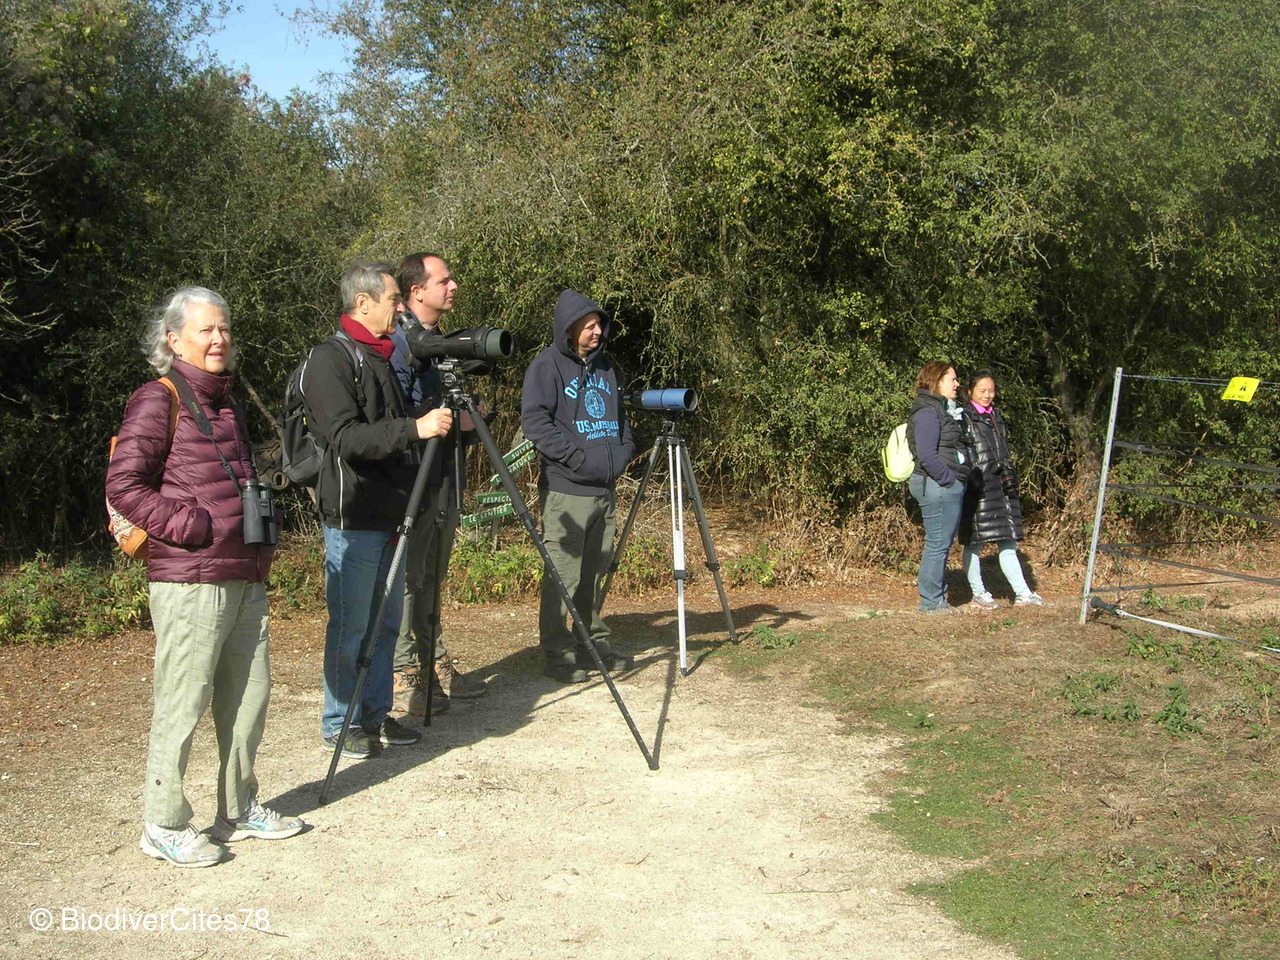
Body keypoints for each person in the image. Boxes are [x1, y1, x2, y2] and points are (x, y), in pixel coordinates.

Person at [105, 287, 303, 868]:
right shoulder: (157, 397)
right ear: (173, 339)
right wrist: (189, 526)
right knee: (183, 700)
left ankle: (238, 809)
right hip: (190, 577)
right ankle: (164, 823)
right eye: (206, 330)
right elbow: (123, 485)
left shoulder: (225, 401)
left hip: (242, 571)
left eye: (225, 329)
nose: (219, 340)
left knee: (249, 696)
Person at [303, 262, 453, 758]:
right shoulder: (329, 360)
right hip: (353, 514)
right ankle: (339, 723)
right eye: (392, 299)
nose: (399, 308)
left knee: (386, 625)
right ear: (362, 302)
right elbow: (345, 437)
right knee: (351, 626)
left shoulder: (384, 357)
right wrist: (415, 428)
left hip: (392, 512)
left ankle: (374, 713)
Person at [388, 252, 489, 718]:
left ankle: (433, 659)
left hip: (444, 474)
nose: (453, 287)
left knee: (432, 575)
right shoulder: (398, 344)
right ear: (417, 291)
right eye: (444, 281)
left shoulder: (439, 344)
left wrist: (467, 419)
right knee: (409, 578)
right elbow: (395, 414)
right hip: (412, 477)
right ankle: (404, 669)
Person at [521, 289, 635, 683]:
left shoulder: (606, 367)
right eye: (588, 326)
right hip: (567, 491)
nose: (596, 331)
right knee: (563, 576)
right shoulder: (546, 366)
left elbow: (621, 419)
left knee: (593, 575)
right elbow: (536, 423)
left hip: (604, 490)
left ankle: (592, 644)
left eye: (599, 324)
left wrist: (621, 454)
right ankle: (558, 653)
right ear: (568, 329)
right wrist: (578, 460)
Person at [959, 370, 1046, 607]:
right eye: (982, 391)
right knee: (974, 541)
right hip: (978, 488)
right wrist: (972, 477)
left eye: (991, 390)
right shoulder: (963, 417)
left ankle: (1023, 593)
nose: (987, 395)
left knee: (1008, 540)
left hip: (1002, 488)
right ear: (970, 391)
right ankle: (978, 593)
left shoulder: (995, 416)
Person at [906, 361, 972, 613]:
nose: (957, 384)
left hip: (940, 484)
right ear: (937, 380)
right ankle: (931, 603)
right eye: (952, 379)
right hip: (937, 485)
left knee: (940, 543)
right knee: (937, 544)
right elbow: (927, 455)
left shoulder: (938, 408)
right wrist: (950, 481)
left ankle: (936, 599)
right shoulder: (927, 412)